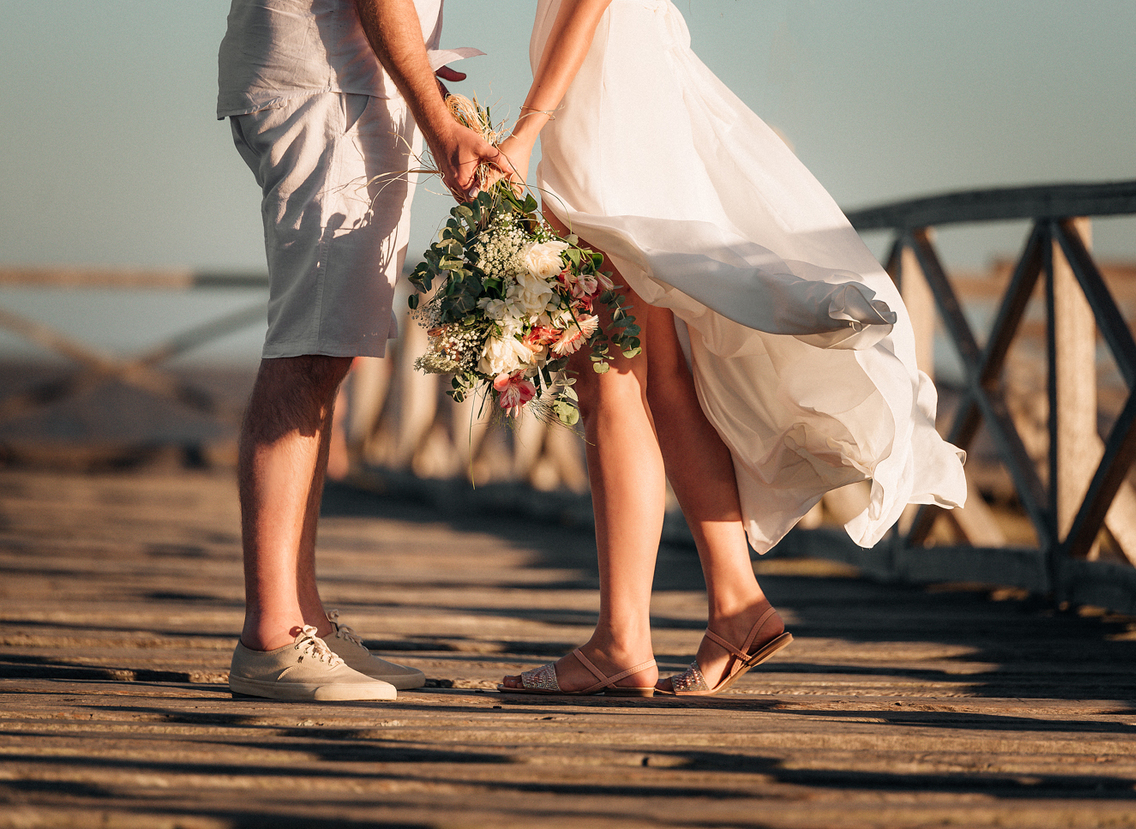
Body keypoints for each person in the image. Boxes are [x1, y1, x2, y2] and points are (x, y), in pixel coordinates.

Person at [498, 0, 967, 696]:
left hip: (606, 105)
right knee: (659, 379)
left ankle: (621, 640)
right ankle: (736, 602)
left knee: (610, 377)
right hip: (625, 88)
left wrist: (528, 127)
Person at [217, 0, 509, 701]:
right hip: (323, 88)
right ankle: (271, 635)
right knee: (307, 352)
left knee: (327, 352)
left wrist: (432, 99)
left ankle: (302, 614)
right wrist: (438, 123)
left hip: (346, 86)